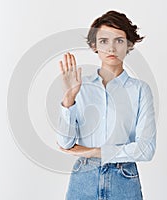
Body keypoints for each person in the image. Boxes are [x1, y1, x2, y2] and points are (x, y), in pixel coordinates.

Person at [56, 10, 156, 200]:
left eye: (118, 40)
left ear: (129, 45)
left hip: (124, 180)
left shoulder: (140, 90)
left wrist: (95, 152)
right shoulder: (80, 87)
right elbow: (65, 143)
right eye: (104, 41)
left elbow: (146, 148)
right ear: (94, 46)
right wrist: (69, 98)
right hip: (83, 180)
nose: (111, 48)